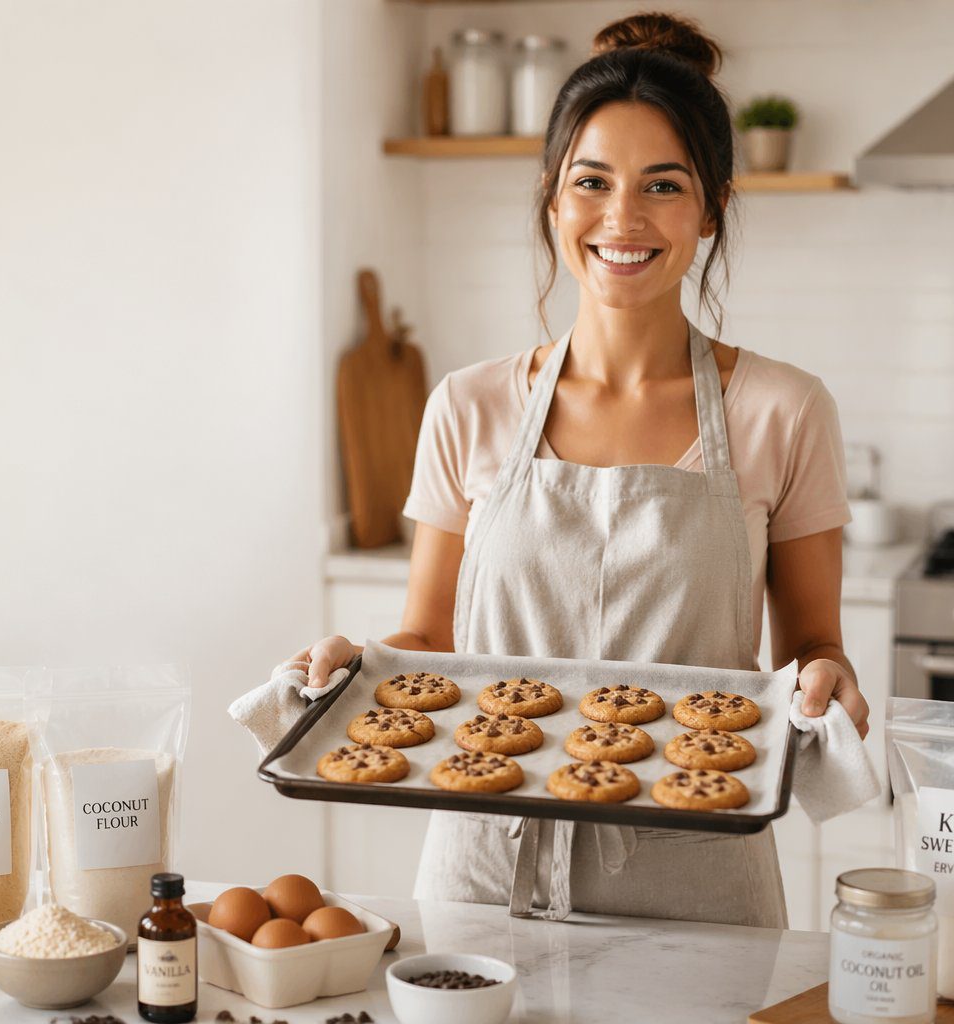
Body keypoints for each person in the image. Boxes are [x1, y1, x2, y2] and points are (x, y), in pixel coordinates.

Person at [283, 12, 868, 927]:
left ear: (711, 207)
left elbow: (810, 651)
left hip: (698, 886)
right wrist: (362, 667)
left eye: (662, 186)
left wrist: (829, 680)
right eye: (590, 182)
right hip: (480, 870)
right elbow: (431, 645)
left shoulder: (783, 410)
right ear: (553, 198)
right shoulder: (467, 405)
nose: (622, 219)